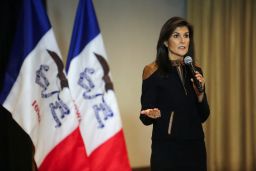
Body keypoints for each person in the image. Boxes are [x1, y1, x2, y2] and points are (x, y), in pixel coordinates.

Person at [139, 16, 210, 171]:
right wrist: (150, 114)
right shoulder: (152, 71)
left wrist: (200, 95)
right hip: (167, 148)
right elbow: (144, 117)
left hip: (195, 146)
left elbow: (204, 115)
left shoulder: (195, 69)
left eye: (186, 36)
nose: (183, 41)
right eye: (176, 36)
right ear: (165, 41)